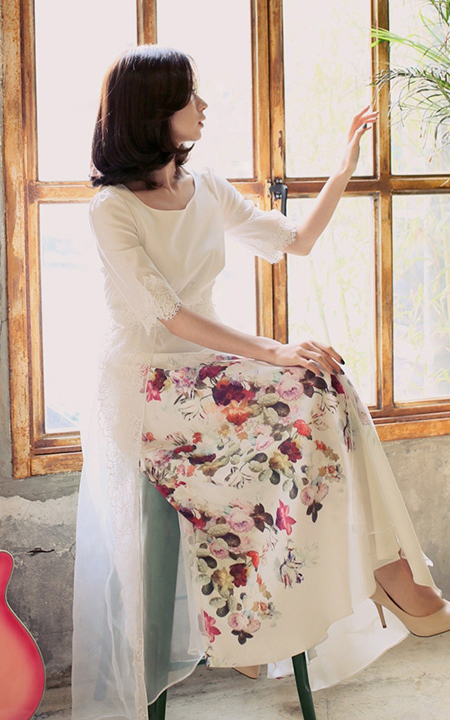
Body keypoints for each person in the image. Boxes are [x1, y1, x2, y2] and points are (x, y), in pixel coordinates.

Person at [71, 44, 450, 720]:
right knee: (301, 378)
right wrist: (275, 351)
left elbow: (294, 241)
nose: (204, 105)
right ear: (154, 111)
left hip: (210, 373)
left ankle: (376, 570)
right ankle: (349, 584)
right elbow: (170, 315)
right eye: (190, 96)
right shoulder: (111, 210)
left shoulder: (205, 187)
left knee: (326, 379)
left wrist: (344, 166)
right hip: (149, 385)